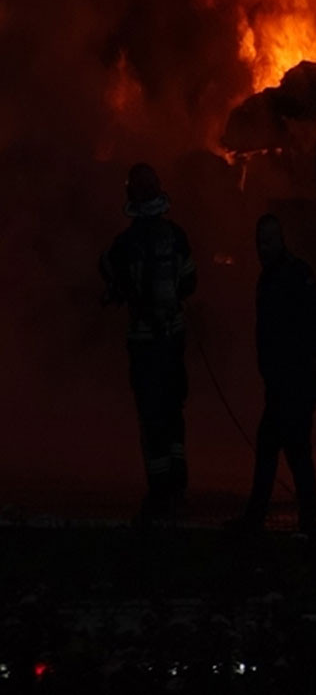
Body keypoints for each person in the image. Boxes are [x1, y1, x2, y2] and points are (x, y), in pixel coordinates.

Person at [100, 163, 198, 523]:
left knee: (152, 418)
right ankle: (178, 488)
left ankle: (158, 496)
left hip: (145, 347)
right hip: (174, 342)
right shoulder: (177, 236)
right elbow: (190, 284)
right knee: (173, 415)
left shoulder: (126, 244)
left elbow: (106, 267)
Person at [233, 214, 316, 533]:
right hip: (279, 381)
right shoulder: (269, 278)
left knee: (286, 448)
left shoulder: (297, 275)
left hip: (295, 380)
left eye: (269, 241)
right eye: (260, 242)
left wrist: (312, 365)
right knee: (282, 448)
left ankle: (278, 519)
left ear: (281, 240)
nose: (263, 248)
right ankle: (298, 520)